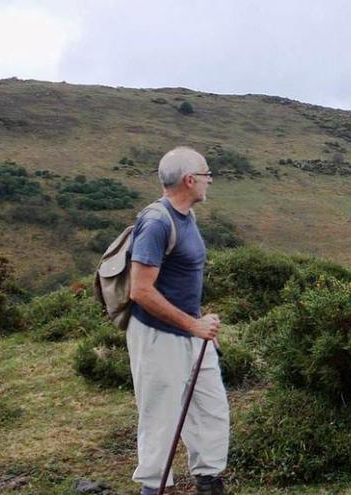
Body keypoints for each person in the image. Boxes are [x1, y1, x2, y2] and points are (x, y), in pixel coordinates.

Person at [127, 146, 228, 495]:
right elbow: (139, 290)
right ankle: (152, 490)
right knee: (161, 419)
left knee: (211, 408)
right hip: (158, 336)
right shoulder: (157, 222)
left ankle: (208, 481)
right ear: (189, 180)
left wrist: (198, 323)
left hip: (191, 331)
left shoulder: (187, 216)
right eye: (206, 175)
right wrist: (192, 325)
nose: (209, 181)